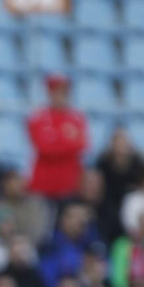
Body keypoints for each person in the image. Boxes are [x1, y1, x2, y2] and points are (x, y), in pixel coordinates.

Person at [27, 74, 88, 202]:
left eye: (64, 91)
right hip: (43, 184)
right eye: (56, 91)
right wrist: (67, 143)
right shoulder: (38, 118)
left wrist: (56, 141)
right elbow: (43, 147)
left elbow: (82, 145)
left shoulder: (77, 118)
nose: (60, 95)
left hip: (69, 183)